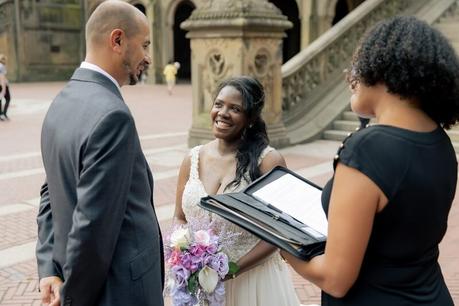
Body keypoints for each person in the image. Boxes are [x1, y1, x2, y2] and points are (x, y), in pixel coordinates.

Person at [280, 16, 459, 306]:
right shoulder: (440, 143)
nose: (351, 76)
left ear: (384, 69)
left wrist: (284, 247)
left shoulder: (368, 148)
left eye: (356, 66)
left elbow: (336, 279)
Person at [36, 1, 164, 306]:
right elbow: (92, 225)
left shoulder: (60, 103)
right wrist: (72, 298)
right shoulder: (113, 116)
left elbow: (48, 195)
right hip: (117, 290)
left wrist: (49, 269)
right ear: (117, 40)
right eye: (145, 45)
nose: (148, 57)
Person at [173, 76, 301, 306]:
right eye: (219, 104)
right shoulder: (191, 158)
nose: (222, 113)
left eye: (235, 109)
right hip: (201, 283)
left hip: (254, 283)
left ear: (250, 119)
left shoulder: (268, 162)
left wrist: (230, 271)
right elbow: (180, 217)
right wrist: (184, 255)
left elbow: (281, 231)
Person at [0, 54, 11, 120]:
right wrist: (4, 88)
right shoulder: (2, 67)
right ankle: (4, 113)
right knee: (8, 98)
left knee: (0, 99)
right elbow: (2, 77)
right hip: (2, 84)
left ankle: (1, 113)